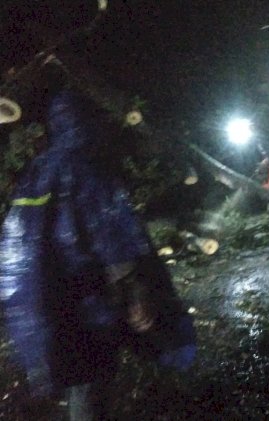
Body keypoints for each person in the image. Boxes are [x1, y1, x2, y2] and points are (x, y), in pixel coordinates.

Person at [0, 88, 195, 420]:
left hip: (55, 305)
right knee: (92, 383)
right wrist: (136, 295)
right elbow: (111, 236)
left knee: (79, 381)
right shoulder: (88, 170)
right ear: (86, 123)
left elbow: (17, 243)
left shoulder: (37, 172)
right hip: (92, 306)